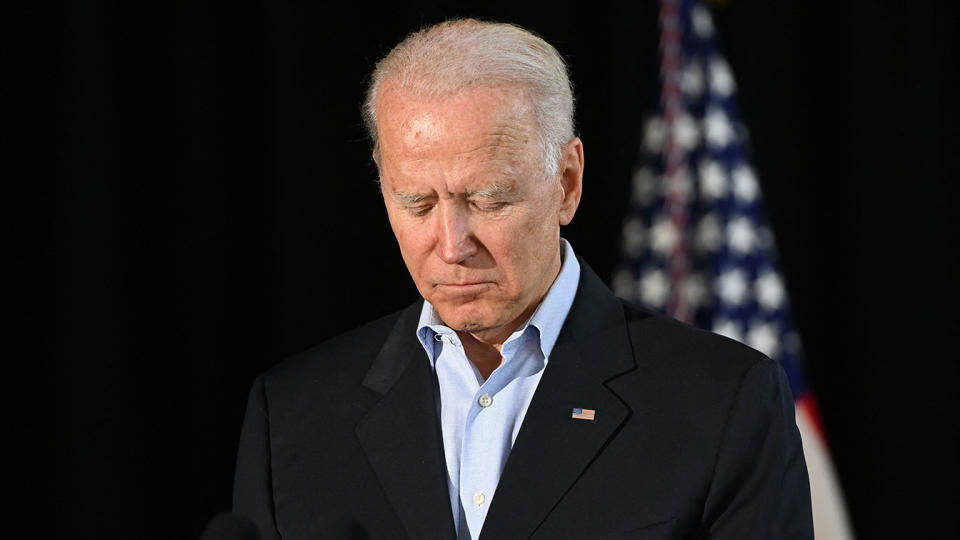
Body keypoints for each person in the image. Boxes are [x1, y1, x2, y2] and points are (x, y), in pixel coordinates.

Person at [233, 18, 813, 540]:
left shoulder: (722, 403)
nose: (452, 245)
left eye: (487, 199)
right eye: (416, 203)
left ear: (566, 182)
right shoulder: (290, 417)